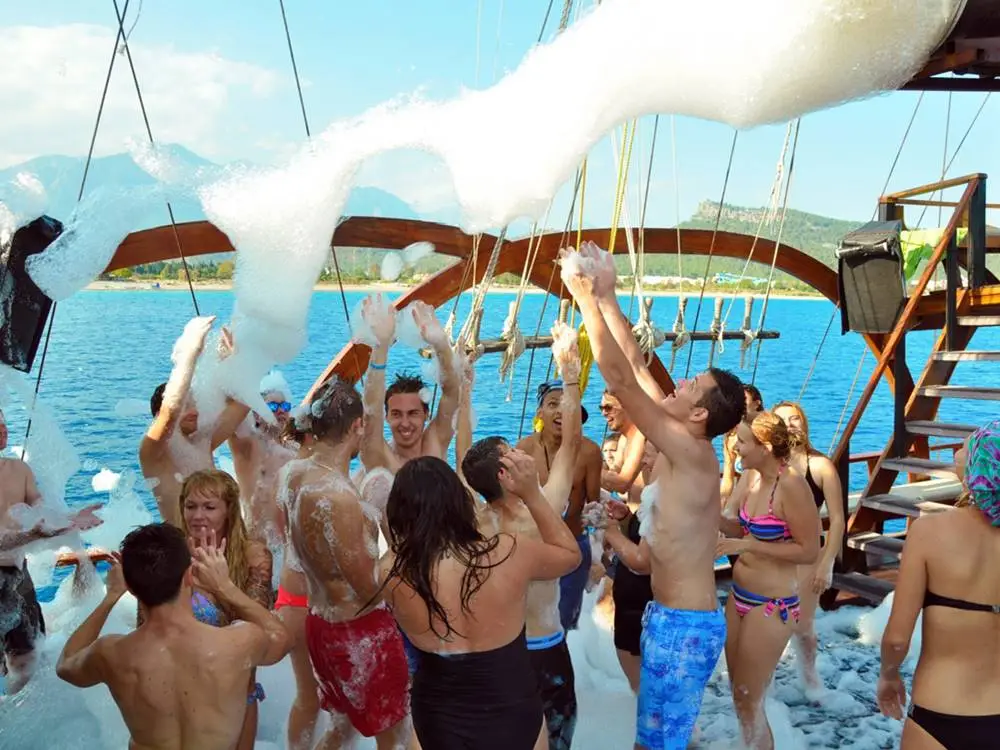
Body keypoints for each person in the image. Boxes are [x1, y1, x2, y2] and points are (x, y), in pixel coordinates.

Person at [560, 240, 745, 750]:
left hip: (684, 627)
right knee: (657, 741)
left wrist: (584, 301)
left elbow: (618, 378)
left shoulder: (689, 451)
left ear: (701, 414)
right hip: (668, 617)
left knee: (655, 747)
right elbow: (636, 366)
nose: (680, 380)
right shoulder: (682, 437)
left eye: (692, 385)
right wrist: (611, 295)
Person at [375, 453, 581, 749]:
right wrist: (532, 494)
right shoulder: (508, 552)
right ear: (461, 502)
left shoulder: (390, 573)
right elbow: (570, 556)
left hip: (438, 717)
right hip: (514, 711)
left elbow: (402, 545)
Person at [56, 523, 289, 750]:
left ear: (130, 586)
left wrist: (111, 597)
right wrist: (224, 586)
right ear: (189, 575)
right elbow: (281, 637)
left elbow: (66, 664)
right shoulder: (236, 643)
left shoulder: (111, 653)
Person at [462, 320, 583, 750]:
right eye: (511, 453)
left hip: (501, 651)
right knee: (558, 739)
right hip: (546, 647)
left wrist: (463, 389)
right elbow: (571, 442)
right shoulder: (544, 505)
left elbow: (463, 457)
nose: (519, 450)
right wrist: (570, 370)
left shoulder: (475, 521)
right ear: (505, 472)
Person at [282, 376, 411, 750]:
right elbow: (368, 587)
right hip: (359, 631)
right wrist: (401, 551)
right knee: (396, 738)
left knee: (342, 728)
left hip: (320, 624)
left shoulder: (294, 476)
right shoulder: (340, 497)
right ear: (358, 426)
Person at [878, 421, 1000, 749]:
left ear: (978, 467)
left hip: (942, 708)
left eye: (966, 447)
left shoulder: (929, 532)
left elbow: (897, 638)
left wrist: (889, 675)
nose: (958, 452)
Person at [717, 412, 820, 749]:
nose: (736, 447)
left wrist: (747, 544)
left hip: (771, 605)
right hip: (739, 596)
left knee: (751, 698)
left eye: (743, 441)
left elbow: (809, 550)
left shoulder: (791, 485)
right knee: (738, 695)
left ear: (763, 446)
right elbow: (735, 526)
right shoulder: (750, 478)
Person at [0, 409, 103, 693]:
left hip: (18, 575)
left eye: (3, 422)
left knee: (29, 657)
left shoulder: (19, 470)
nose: (2, 429)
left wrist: (70, 519)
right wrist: (30, 535)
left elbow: (42, 515)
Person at [177, 469, 273, 750]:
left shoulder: (253, 556)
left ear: (229, 510)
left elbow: (259, 627)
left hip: (238, 689)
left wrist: (221, 586)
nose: (198, 516)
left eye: (209, 507)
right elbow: (146, 626)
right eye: (190, 506)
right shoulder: (171, 555)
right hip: (184, 690)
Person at [140, 317, 250, 527]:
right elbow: (169, 412)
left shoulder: (202, 441)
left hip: (220, 545)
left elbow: (243, 404)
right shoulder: (153, 452)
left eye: (194, 404)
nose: (193, 412)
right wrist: (189, 354)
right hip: (185, 549)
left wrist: (231, 363)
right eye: (185, 406)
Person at [516, 378, 602, 632]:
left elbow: (593, 505)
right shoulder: (524, 448)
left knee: (566, 624)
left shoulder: (589, 452)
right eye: (552, 404)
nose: (560, 411)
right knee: (528, 622)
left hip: (573, 547)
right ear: (539, 412)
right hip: (534, 549)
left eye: (566, 406)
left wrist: (598, 553)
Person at [773, 400, 845, 693]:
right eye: (782, 421)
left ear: (804, 423)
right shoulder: (769, 466)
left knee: (802, 625)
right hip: (773, 553)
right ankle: (766, 681)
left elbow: (838, 520)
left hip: (807, 557)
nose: (790, 425)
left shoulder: (820, 466)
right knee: (770, 622)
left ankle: (809, 678)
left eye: (795, 419)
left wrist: (827, 563)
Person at [361, 295, 461, 471]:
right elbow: (370, 411)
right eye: (397, 414)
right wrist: (381, 346)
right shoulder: (381, 457)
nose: (405, 423)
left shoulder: (436, 443)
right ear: (387, 417)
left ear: (426, 415)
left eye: (413, 413)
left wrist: (441, 344)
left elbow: (453, 392)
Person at [596, 439, 657, 693]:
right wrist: (626, 519)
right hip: (631, 605)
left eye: (649, 456)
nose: (642, 461)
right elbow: (644, 536)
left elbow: (644, 562)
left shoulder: (664, 499)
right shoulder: (653, 494)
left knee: (649, 691)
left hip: (645, 605)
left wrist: (609, 531)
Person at [227, 371, 297, 546]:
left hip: (289, 542)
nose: (281, 411)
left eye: (285, 406)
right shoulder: (249, 446)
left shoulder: (293, 448)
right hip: (259, 542)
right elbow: (230, 405)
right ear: (257, 413)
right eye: (273, 407)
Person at [721, 384, 764, 501]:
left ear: (757, 403)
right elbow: (728, 476)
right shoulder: (731, 437)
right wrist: (723, 501)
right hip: (743, 498)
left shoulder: (766, 432)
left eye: (744, 400)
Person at [599, 391, 646, 495]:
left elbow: (622, 484)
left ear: (628, 407)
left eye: (608, 408)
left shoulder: (641, 435)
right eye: (601, 408)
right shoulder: (623, 439)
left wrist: (587, 467)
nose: (603, 413)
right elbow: (612, 478)